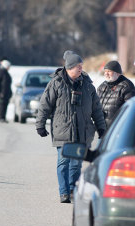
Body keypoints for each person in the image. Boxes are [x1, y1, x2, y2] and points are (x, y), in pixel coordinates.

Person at [35, 50, 106, 203]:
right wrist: (40, 124)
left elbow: (97, 109)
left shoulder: (88, 85)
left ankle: (73, 191)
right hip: (63, 130)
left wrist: (101, 128)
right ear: (69, 67)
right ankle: (64, 192)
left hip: (82, 131)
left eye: (81, 66)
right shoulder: (57, 83)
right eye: (77, 66)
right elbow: (44, 104)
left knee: (76, 164)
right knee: (63, 162)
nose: (80, 69)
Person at [97, 60, 135, 128]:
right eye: (105, 71)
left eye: (109, 71)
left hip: (118, 129)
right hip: (102, 130)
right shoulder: (101, 87)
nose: (106, 73)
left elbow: (129, 111)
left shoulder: (127, 86)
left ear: (118, 73)